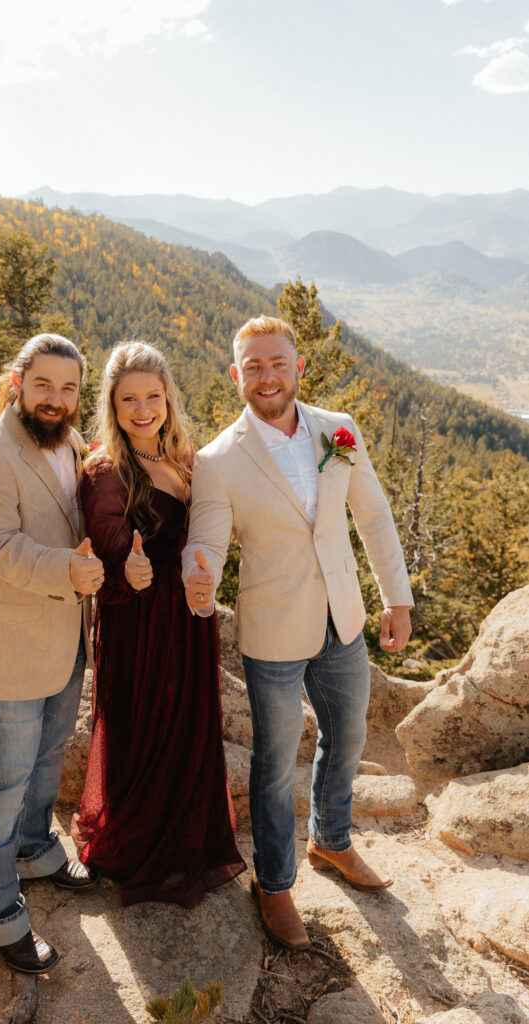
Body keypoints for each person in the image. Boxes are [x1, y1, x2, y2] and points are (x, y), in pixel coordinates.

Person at [182, 316, 413, 950]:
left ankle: (332, 840)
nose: (266, 376)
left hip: (343, 616)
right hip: (274, 625)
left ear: (298, 367)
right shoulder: (218, 460)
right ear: (236, 376)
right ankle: (275, 883)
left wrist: (398, 600)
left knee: (349, 733)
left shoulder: (338, 430)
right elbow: (205, 539)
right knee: (276, 760)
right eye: (252, 367)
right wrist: (197, 576)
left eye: (277, 363)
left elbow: (373, 515)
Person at [71, 340, 246, 908]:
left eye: (153, 396)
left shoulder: (185, 458)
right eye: (129, 400)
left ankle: (186, 837)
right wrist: (131, 569)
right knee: (145, 732)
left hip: (188, 616)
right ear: (112, 404)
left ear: (169, 398)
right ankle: (140, 845)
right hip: (140, 624)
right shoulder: (104, 471)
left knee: (190, 727)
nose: (143, 409)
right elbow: (109, 555)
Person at [0, 333, 103, 975]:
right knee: (1, 787)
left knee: (45, 763)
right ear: (17, 383)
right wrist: (69, 570)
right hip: (8, 646)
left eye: (69, 387)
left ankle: (37, 850)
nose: (56, 398)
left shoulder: (68, 443)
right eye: (44, 384)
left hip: (64, 638)